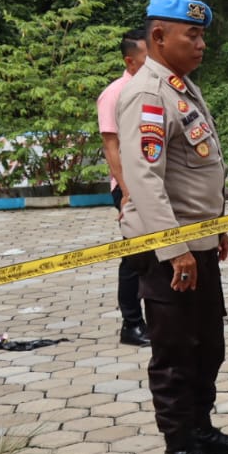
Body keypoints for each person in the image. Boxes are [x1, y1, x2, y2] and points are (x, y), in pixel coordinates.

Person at [118, 0, 228, 454]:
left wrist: (214, 228)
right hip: (166, 251)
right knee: (175, 352)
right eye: (191, 35)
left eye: (201, 36)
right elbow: (145, 179)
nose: (201, 44)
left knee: (207, 344)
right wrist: (174, 249)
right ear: (158, 36)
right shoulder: (148, 94)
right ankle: (178, 452)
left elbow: (197, 171)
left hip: (197, 242)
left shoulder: (181, 87)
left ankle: (200, 429)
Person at [96, 28, 149, 346]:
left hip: (153, 184)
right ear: (130, 61)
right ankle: (132, 323)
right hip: (129, 187)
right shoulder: (114, 94)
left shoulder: (153, 88)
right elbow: (111, 146)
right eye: (146, 58)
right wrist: (127, 191)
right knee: (135, 256)